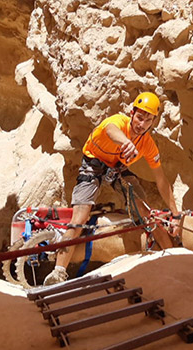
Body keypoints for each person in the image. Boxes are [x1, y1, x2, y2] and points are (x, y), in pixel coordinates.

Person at [43, 92, 182, 286]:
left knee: (146, 212)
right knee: (79, 218)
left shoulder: (148, 144)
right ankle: (58, 272)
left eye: (148, 120)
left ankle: (174, 258)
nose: (141, 124)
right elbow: (110, 130)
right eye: (139, 117)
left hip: (117, 169)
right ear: (132, 113)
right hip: (93, 165)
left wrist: (176, 215)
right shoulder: (118, 122)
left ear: (153, 122)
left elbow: (161, 180)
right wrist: (126, 143)